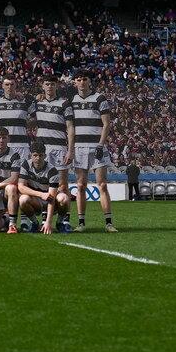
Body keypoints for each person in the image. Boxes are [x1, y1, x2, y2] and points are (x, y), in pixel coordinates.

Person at [70, 70, 116, 232]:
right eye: (78, 79)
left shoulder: (100, 98)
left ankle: (109, 223)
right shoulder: (71, 100)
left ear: (89, 81)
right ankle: (81, 223)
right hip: (79, 148)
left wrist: (100, 145)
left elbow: (106, 124)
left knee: (102, 185)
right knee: (81, 186)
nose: (81, 82)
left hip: (97, 147)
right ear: (74, 82)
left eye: (84, 79)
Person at [35, 73, 76, 208]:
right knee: (43, 186)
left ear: (57, 86)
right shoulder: (37, 103)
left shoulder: (65, 104)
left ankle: (64, 220)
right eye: (47, 84)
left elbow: (70, 128)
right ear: (42, 86)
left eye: (52, 84)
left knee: (63, 186)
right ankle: (44, 218)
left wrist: (70, 150)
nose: (49, 87)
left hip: (59, 149)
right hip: (42, 150)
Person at [17, 142, 71, 234]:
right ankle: (34, 223)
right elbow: (21, 187)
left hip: (50, 199)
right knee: (23, 199)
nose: (38, 158)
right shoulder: (26, 165)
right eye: (35, 155)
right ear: (30, 155)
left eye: (41, 155)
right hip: (36, 200)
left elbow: (52, 198)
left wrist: (48, 222)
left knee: (64, 198)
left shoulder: (52, 170)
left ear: (45, 156)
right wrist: (41, 194)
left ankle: (59, 223)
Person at [0, 74, 36, 161]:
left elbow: (37, 117)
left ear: (16, 85)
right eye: (7, 84)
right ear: (2, 86)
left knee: (22, 173)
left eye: (12, 84)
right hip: (2, 145)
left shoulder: (26, 102)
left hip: (21, 145)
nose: (9, 87)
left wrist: (27, 125)